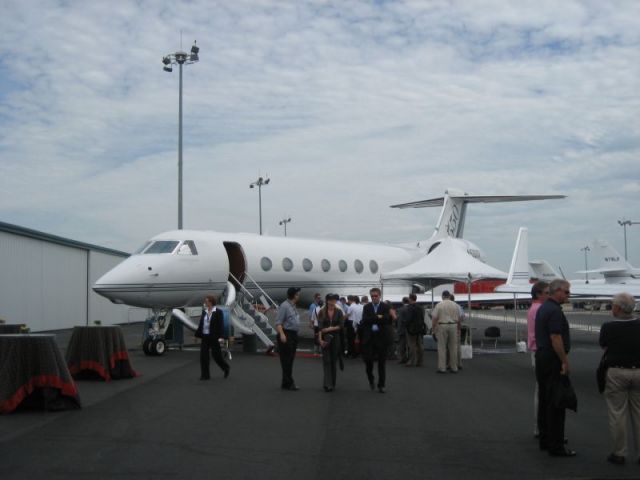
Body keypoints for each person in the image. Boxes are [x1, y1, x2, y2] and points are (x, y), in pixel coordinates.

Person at [535, 279, 575, 457]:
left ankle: (546, 439)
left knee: (545, 400)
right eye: (566, 292)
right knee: (557, 402)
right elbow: (556, 337)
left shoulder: (544, 308)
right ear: (557, 291)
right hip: (552, 359)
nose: (568, 295)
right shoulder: (554, 311)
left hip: (543, 357)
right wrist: (564, 361)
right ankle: (556, 445)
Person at [599, 292, 640, 465]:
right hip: (638, 370)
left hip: (616, 372)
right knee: (638, 413)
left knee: (617, 414)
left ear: (617, 308)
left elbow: (603, 345)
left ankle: (619, 452)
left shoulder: (608, 327)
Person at [527, 281, 549, 438]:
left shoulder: (532, 309)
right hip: (541, 352)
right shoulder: (540, 309)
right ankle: (542, 427)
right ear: (538, 294)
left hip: (536, 351)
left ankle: (540, 427)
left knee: (540, 390)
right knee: (543, 391)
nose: (549, 295)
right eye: (547, 293)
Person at [360, 287, 393, 393]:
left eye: (376, 295)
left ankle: (381, 385)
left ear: (380, 296)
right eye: (372, 296)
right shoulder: (367, 307)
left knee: (381, 363)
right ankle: (371, 379)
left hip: (381, 338)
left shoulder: (385, 306)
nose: (374, 297)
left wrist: (374, 318)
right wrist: (378, 317)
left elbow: (387, 319)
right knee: (368, 362)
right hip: (369, 338)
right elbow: (365, 320)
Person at [195, 294, 230, 380]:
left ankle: (226, 368)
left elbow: (220, 325)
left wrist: (221, 337)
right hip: (205, 337)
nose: (205, 302)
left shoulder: (218, 312)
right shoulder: (204, 312)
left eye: (206, 301)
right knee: (203, 357)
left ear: (211, 302)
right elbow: (201, 324)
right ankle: (205, 375)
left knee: (217, 356)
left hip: (214, 337)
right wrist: (197, 335)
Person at [275, 287, 302, 391]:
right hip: (287, 334)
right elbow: (278, 322)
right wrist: (282, 334)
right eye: (297, 294)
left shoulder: (292, 306)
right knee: (286, 360)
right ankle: (289, 383)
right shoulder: (285, 306)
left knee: (290, 359)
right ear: (294, 295)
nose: (299, 296)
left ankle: (285, 382)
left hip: (293, 335)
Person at [318, 293, 345, 392]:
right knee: (326, 361)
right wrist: (320, 339)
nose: (334, 301)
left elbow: (341, 325)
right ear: (327, 300)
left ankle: (332, 383)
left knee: (333, 361)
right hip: (325, 338)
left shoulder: (339, 312)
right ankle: (327, 384)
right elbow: (320, 328)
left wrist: (329, 329)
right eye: (332, 299)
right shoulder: (322, 312)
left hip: (336, 338)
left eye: (335, 299)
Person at [431, 290, 461, 373]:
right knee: (453, 347)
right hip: (453, 325)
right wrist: (458, 328)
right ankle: (454, 367)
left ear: (442, 296)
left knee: (442, 347)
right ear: (449, 296)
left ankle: (442, 368)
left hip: (442, 325)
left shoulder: (439, 305)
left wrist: (433, 329)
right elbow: (459, 319)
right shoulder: (455, 305)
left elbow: (434, 318)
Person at [405, 294, 425, 367]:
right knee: (420, 345)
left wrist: (406, 325)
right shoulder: (420, 308)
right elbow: (422, 318)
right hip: (419, 328)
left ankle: (411, 361)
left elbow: (409, 319)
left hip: (411, 329)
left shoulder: (409, 308)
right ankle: (420, 361)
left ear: (410, 299)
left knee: (412, 345)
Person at [395, 297, 410, 364]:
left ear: (402, 301)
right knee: (409, 345)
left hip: (402, 330)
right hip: (410, 330)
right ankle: (409, 359)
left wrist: (398, 330)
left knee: (401, 345)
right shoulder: (411, 308)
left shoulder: (400, 310)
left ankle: (402, 359)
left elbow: (399, 321)